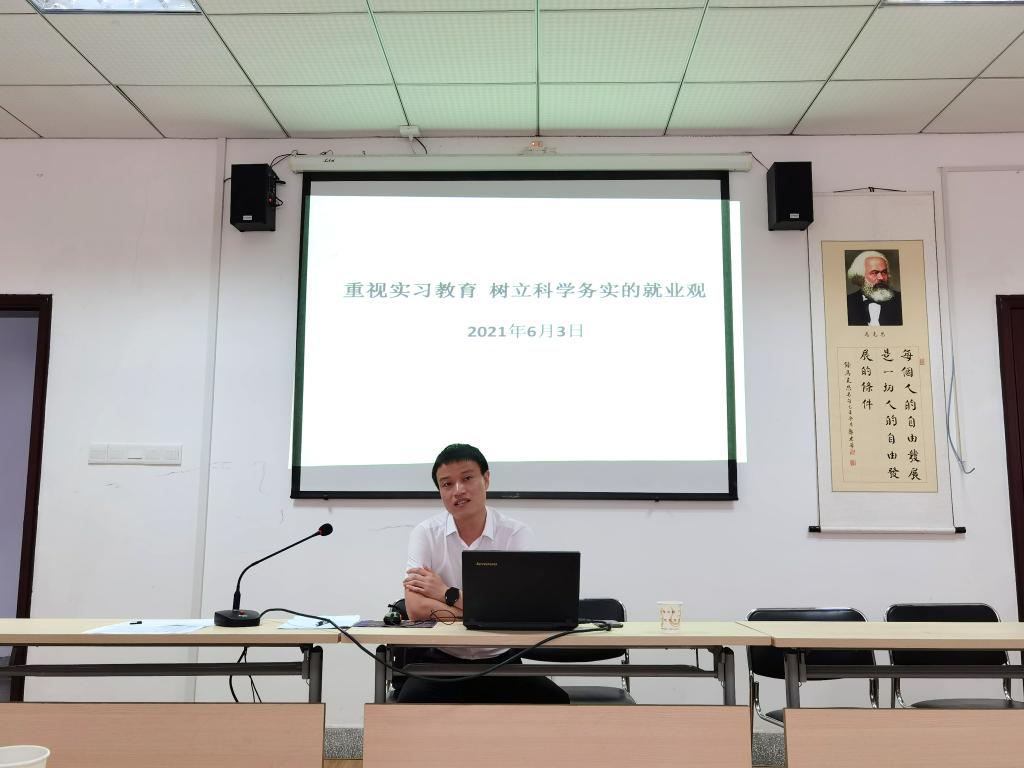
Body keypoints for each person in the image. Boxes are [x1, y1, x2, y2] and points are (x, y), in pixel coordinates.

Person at [396, 443, 568, 704]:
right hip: (442, 660)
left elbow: (518, 610)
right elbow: (416, 609)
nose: (458, 490)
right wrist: (486, 613)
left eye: (467, 478)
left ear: (486, 479)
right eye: (447, 484)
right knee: (407, 706)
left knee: (555, 702)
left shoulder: (515, 534)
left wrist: (446, 593)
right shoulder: (425, 534)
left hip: (501, 660)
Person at [846, 250, 903, 326]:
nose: (881, 277)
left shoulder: (901, 300)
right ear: (860, 276)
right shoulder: (848, 302)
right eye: (874, 273)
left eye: (884, 272)